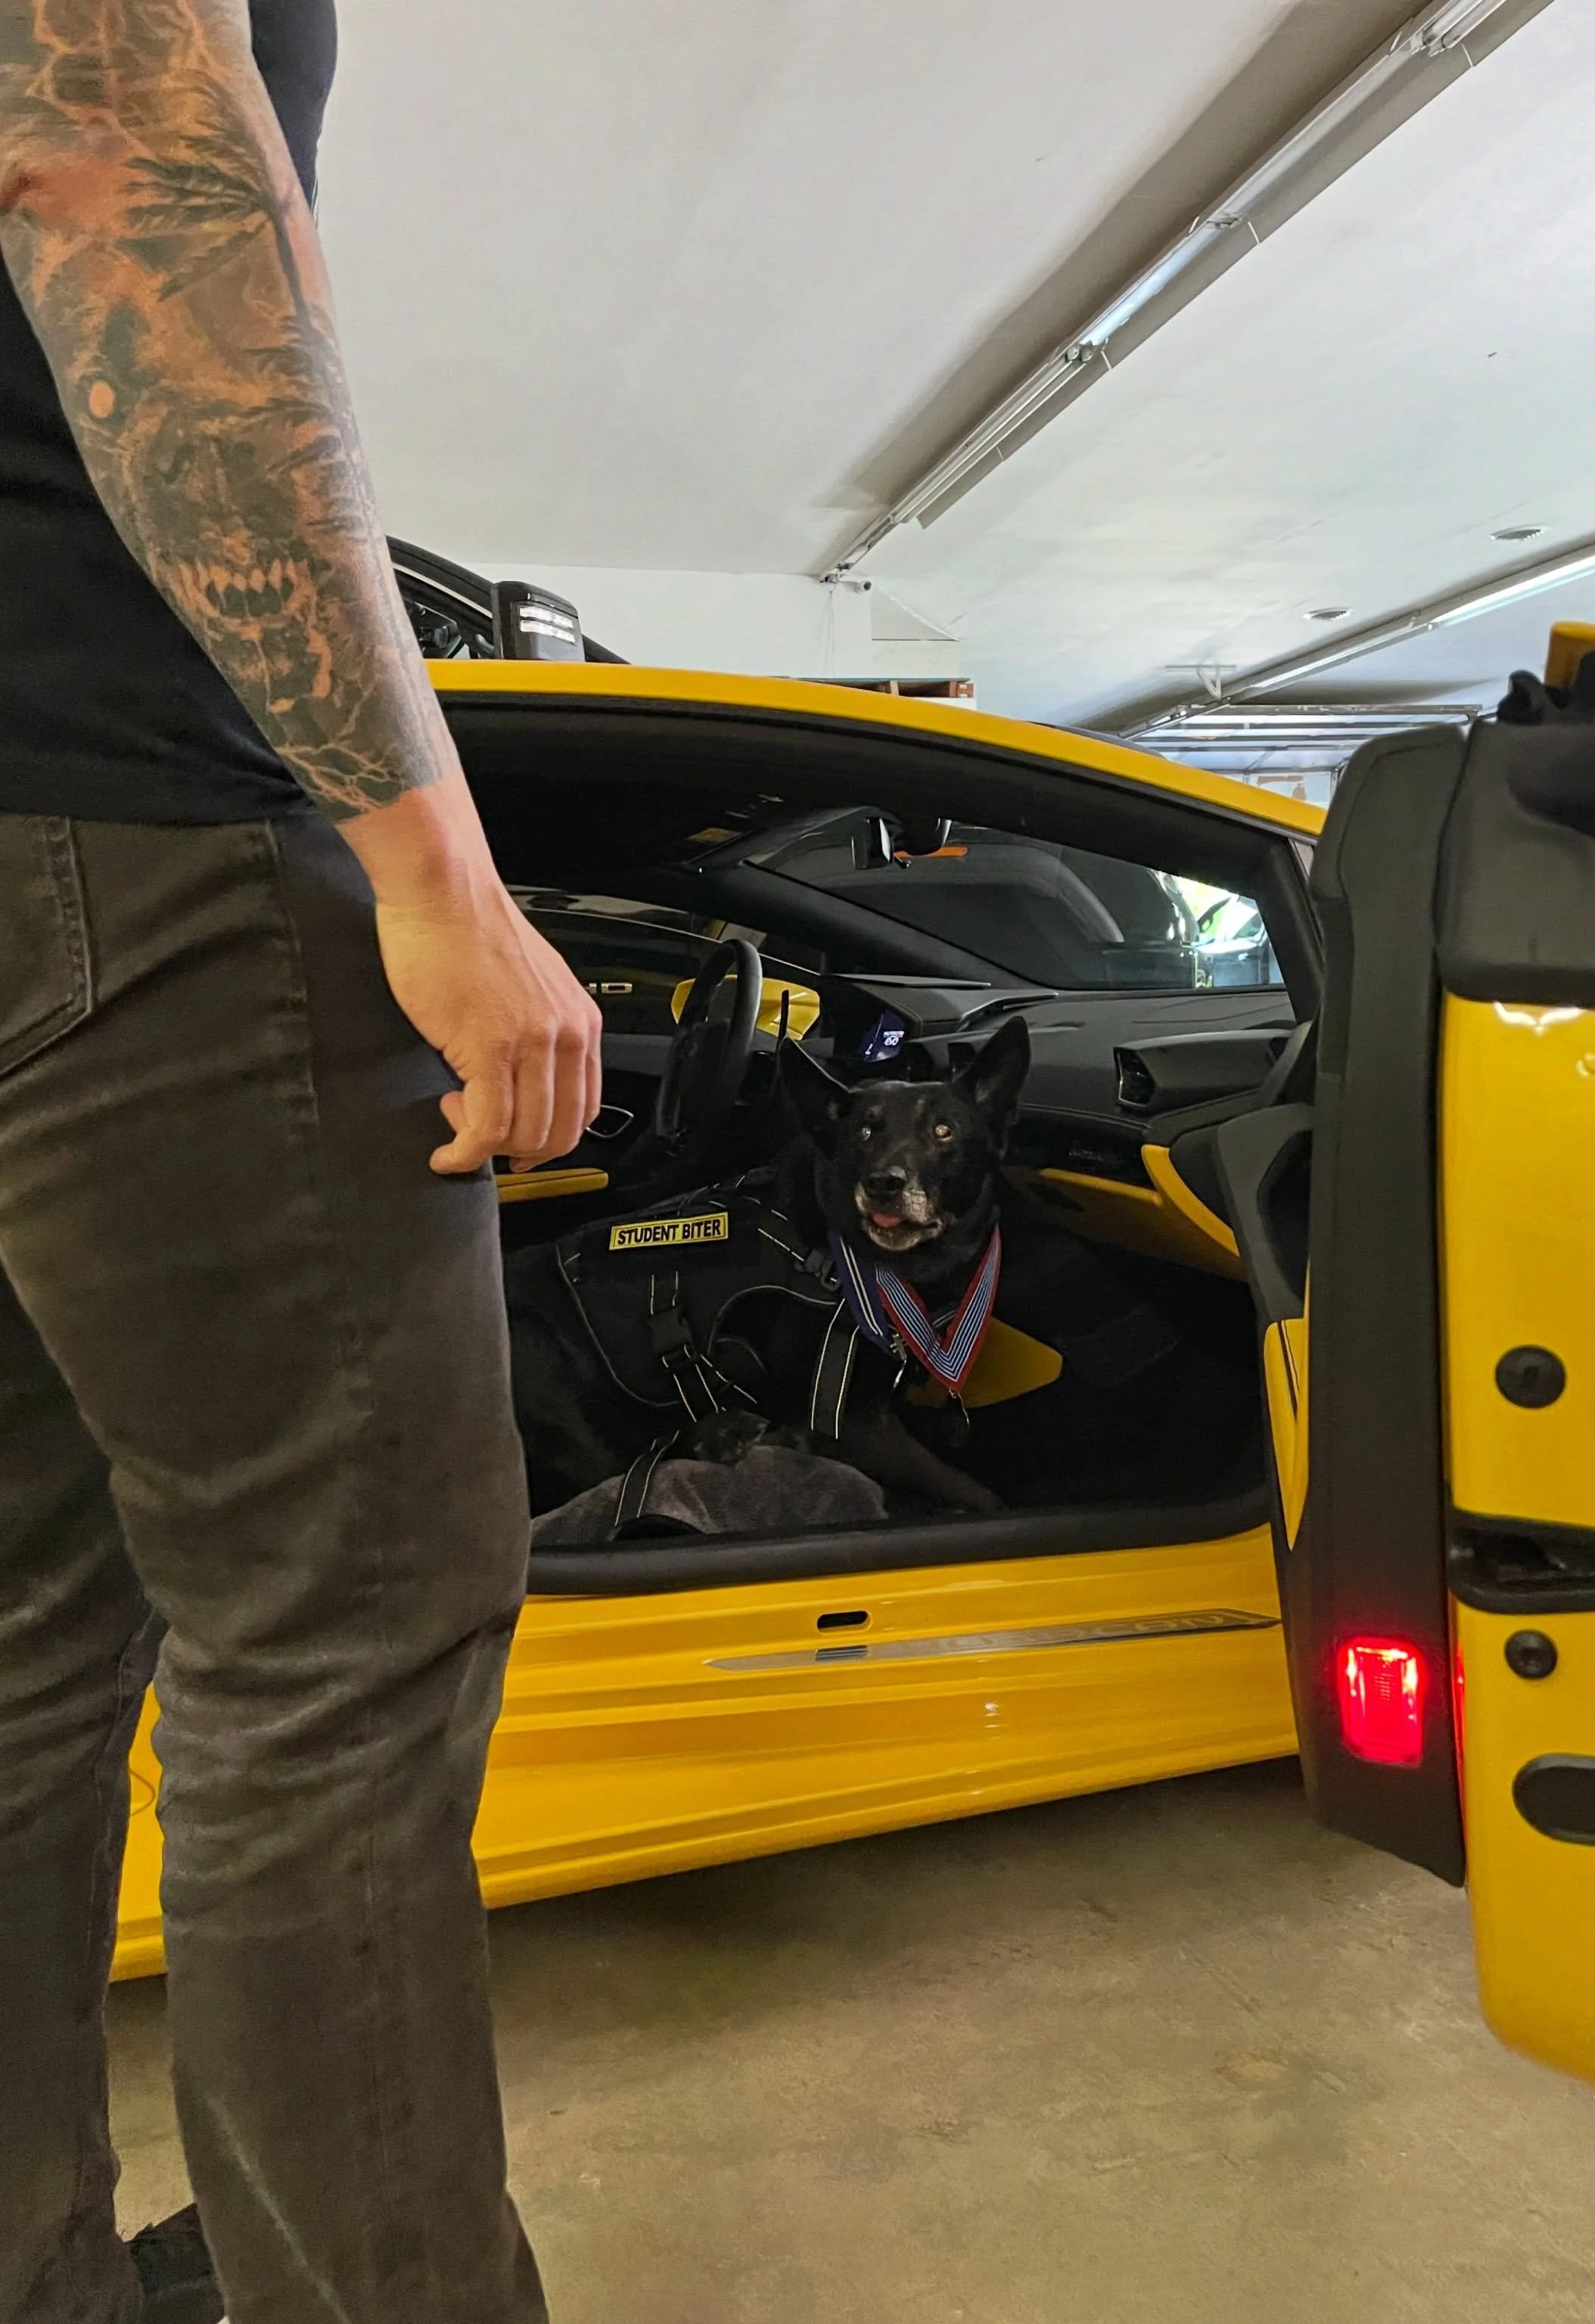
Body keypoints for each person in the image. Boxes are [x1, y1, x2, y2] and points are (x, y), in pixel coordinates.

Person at [0, 2, 599, 2318]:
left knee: (25, 1651)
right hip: (129, 830)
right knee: (334, 1661)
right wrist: (434, 869)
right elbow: (122, 178)